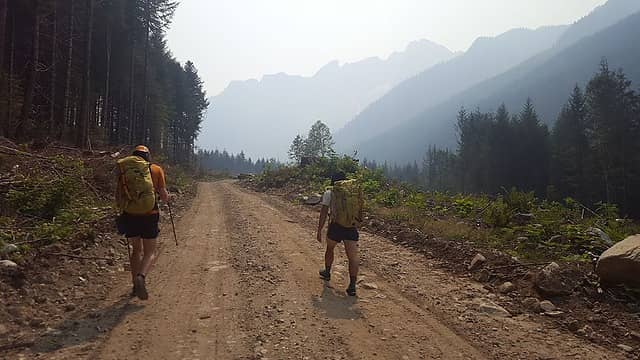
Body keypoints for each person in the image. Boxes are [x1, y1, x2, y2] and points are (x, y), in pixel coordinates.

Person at [115, 145, 169, 300]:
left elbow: (120, 194)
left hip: (130, 214)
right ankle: (141, 277)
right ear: (148, 156)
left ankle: (134, 285)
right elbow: (164, 196)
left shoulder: (125, 170)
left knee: (136, 250)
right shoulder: (156, 170)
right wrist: (167, 199)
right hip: (149, 214)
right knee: (150, 252)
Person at [316, 172, 363, 296]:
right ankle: (352, 285)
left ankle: (327, 272)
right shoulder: (351, 193)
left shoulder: (329, 193)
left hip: (335, 226)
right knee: (353, 257)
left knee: (330, 248)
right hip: (350, 226)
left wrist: (319, 229)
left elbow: (324, 213)